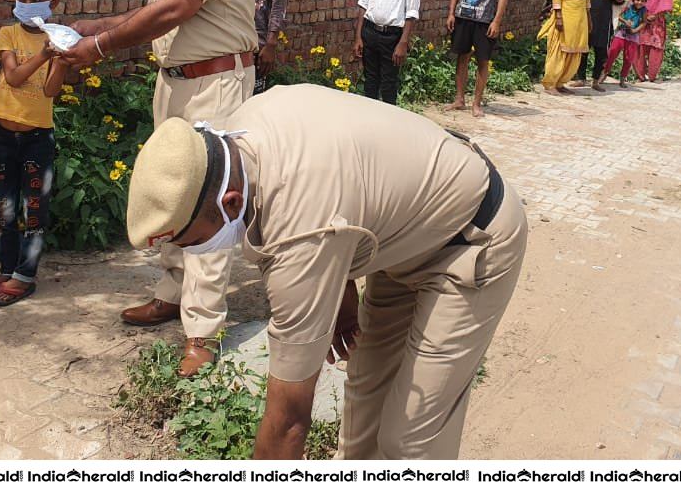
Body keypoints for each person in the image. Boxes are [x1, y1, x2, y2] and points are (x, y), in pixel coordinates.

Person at [125, 84, 527, 459]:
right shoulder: (238, 137)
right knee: (363, 410)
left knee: (410, 442)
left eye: (190, 241)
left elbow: (288, 422)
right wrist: (341, 288)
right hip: (402, 238)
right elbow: (343, 195)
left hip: (470, 240)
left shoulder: (297, 235)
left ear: (231, 203)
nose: (188, 250)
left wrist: (325, 284)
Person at [61, 0, 258, 376]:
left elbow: (176, 10)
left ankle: (203, 330)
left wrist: (99, 45)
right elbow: (153, 13)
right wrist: (92, 26)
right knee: (172, 188)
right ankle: (172, 292)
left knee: (213, 198)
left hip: (215, 84)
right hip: (173, 81)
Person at [0, 0, 68, 306]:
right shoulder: (8, 34)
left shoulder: (59, 39)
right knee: (2, 208)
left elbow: (51, 90)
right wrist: (44, 54)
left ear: (51, 3)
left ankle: (24, 275)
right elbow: (12, 78)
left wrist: (63, 59)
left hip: (37, 138)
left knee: (34, 208)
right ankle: (7, 267)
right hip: (2, 135)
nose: (26, 4)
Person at [540, 0, 591, 94]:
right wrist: (558, 16)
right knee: (560, 48)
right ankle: (550, 83)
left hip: (580, 16)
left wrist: (589, 17)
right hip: (565, 13)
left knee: (575, 49)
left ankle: (561, 82)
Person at [579, 0, 628, 92]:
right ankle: (581, 78)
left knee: (601, 51)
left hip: (604, 19)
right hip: (588, 17)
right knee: (584, 48)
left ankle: (595, 81)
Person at [631, 0, 674, 82]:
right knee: (640, 47)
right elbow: (634, 1)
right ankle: (640, 74)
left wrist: (655, 15)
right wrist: (644, 15)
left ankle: (652, 75)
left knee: (656, 47)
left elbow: (666, 3)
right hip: (641, 19)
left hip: (657, 22)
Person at [604, 0, 648, 88]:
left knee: (628, 58)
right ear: (633, 0)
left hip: (633, 36)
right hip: (621, 33)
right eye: (637, 0)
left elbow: (644, 22)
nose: (639, 2)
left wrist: (635, 30)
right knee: (612, 52)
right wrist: (625, 22)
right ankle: (604, 74)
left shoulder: (644, 10)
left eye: (642, 0)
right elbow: (618, 16)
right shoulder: (628, 7)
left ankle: (623, 79)